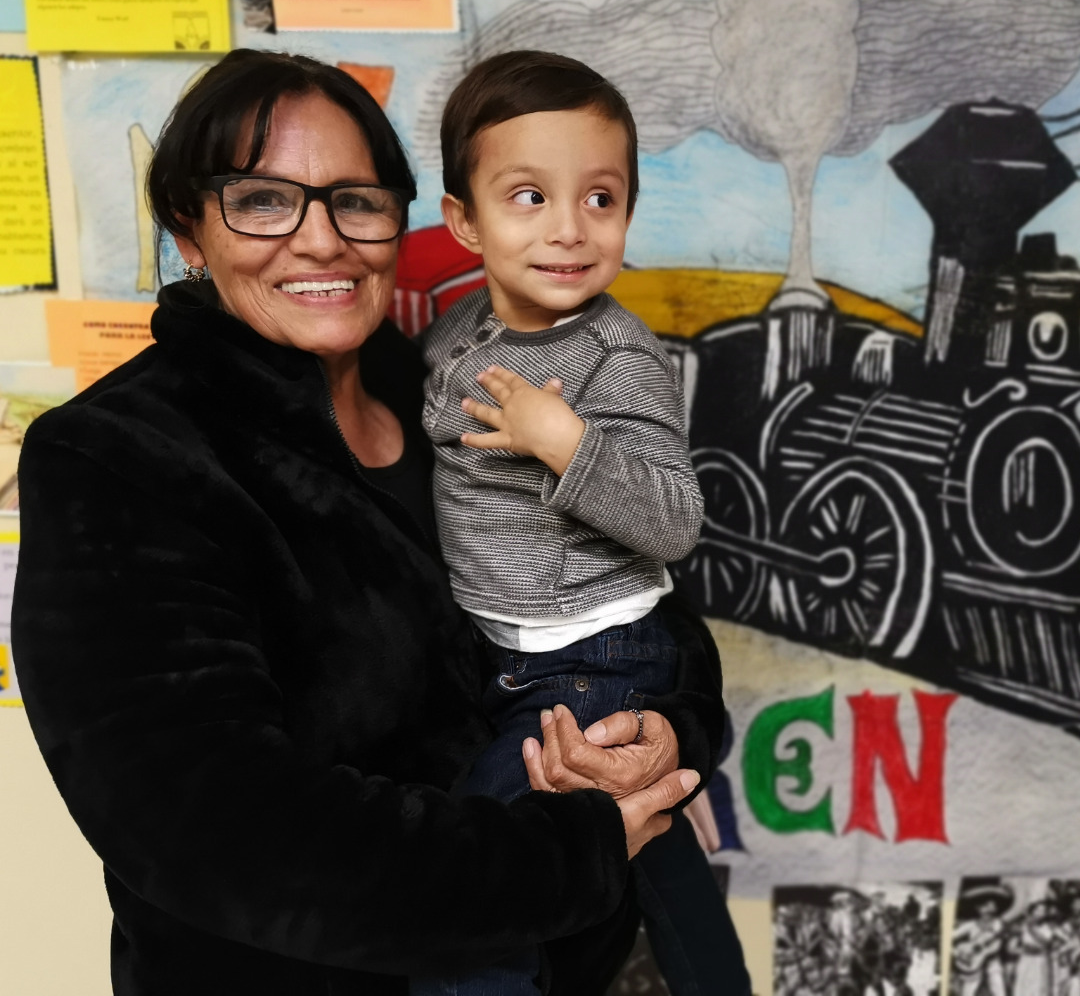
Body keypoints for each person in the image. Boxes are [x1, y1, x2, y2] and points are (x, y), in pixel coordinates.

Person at [11, 49, 728, 996]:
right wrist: (569, 853)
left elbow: (637, 598)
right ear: (189, 229)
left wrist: (669, 734)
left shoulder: (446, 382)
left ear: (401, 220)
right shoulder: (115, 456)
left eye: (355, 200)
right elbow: (212, 831)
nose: (320, 240)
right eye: (263, 200)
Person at [413, 50, 749, 996]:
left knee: (484, 871)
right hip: (501, 651)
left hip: (594, 657)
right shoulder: (454, 335)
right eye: (529, 197)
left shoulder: (616, 357)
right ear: (464, 221)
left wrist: (566, 444)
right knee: (646, 836)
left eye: (600, 198)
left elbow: (675, 522)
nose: (569, 227)